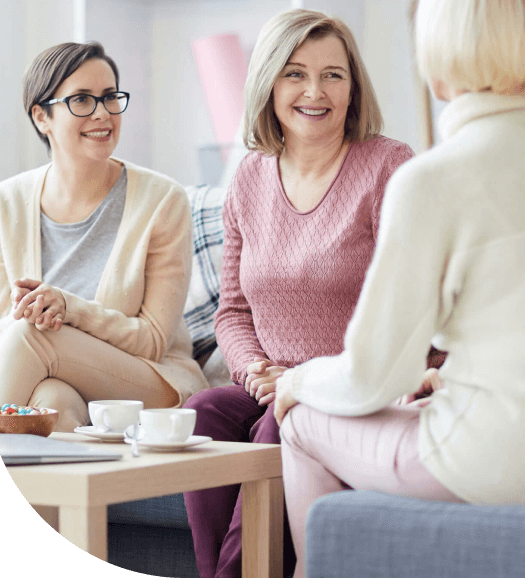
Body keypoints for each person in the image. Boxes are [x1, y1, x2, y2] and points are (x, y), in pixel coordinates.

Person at [183, 9, 444, 578]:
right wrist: (255, 370)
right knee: (201, 412)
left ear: (353, 87)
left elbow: (416, 304)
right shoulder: (248, 177)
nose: (314, 91)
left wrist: (302, 382)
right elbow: (233, 311)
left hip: (360, 386)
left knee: (283, 418)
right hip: (271, 383)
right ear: (269, 83)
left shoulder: (388, 166)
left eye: (333, 75)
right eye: (296, 74)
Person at [274, 0, 525, 576]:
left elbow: (373, 377)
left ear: (439, 63)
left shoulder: (431, 178)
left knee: (301, 421)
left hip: (494, 460)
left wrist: (297, 380)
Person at [0, 42, 208, 431]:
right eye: (82, 100)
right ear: (41, 116)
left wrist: (68, 309)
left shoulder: (162, 200)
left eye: (109, 97)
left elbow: (153, 340)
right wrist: (26, 311)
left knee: (32, 336)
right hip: (52, 376)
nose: (103, 113)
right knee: (53, 402)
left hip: (150, 381)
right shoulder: (1, 205)